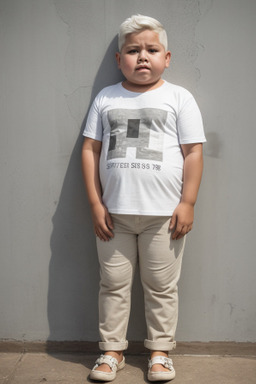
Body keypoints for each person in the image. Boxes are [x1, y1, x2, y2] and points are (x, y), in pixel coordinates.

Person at [81, 14, 206, 382]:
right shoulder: (107, 97)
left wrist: (188, 202)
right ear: (119, 59)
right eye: (133, 51)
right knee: (113, 284)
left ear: (167, 57)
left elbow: (194, 152)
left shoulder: (179, 97)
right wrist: (94, 203)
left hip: (164, 216)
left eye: (152, 50)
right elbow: (90, 149)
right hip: (113, 215)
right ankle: (112, 351)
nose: (143, 57)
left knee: (162, 286)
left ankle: (160, 352)